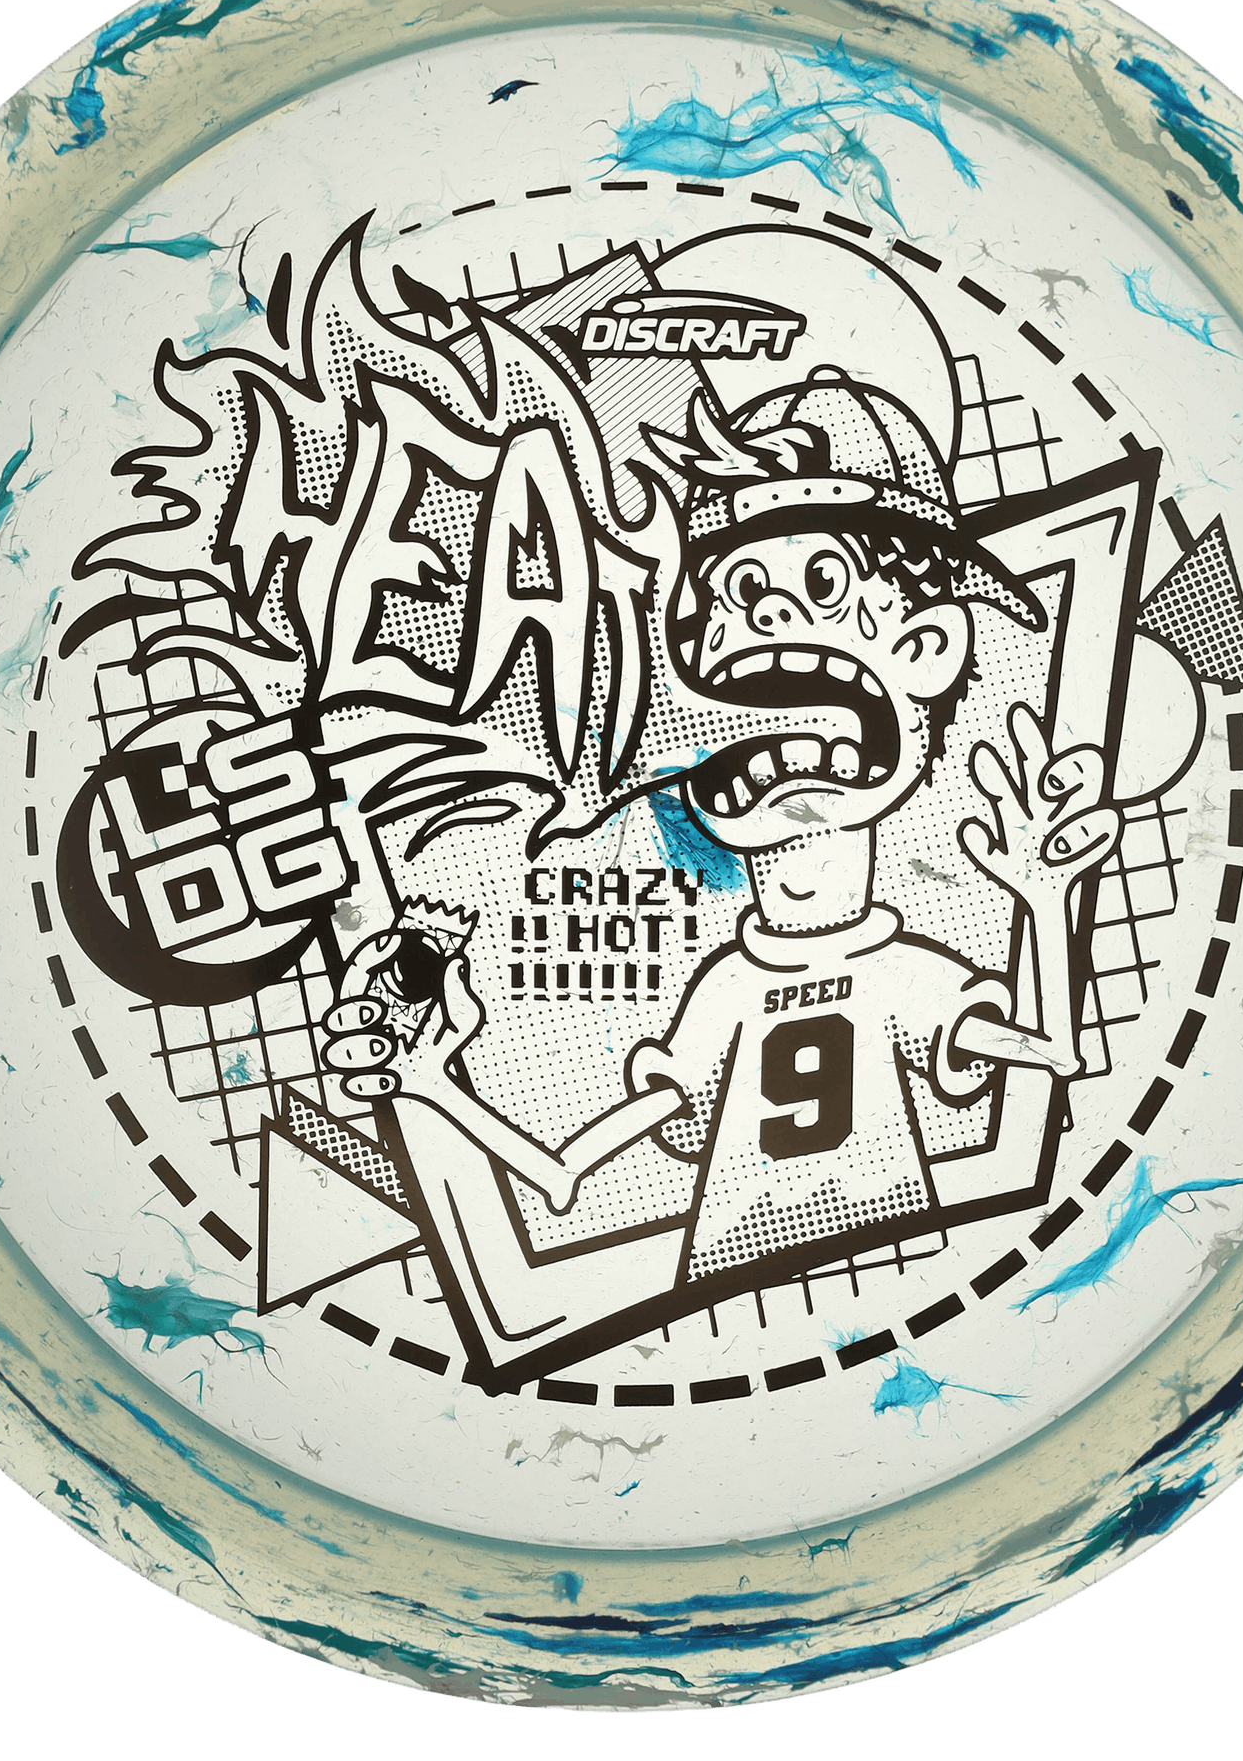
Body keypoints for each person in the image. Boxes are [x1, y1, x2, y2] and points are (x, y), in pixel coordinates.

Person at [321, 369, 1120, 1377]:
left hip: (908, 1295)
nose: (769, 613)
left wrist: (1041, 901)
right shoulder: (724, 991)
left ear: (926, 648)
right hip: (729, 1304)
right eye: (734, 598)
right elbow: (563, 1176)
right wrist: (433, 1080)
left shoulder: (905, 974)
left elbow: (1053, 1054)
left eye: (822, 585)